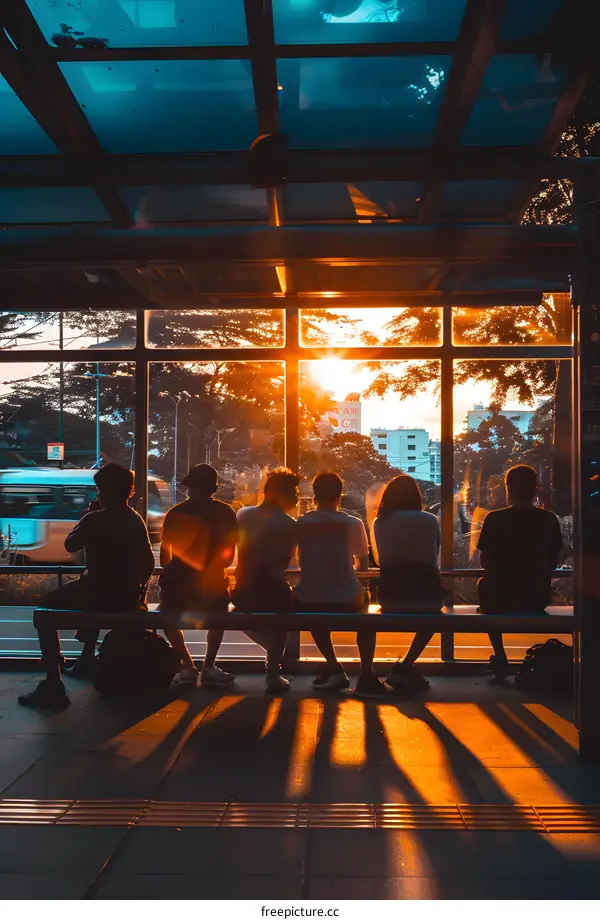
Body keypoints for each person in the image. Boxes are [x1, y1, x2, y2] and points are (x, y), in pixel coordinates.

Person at [18, 463, 156, 710]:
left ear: (104, 490)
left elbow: (71, 545)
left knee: (44, 611)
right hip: (125, 597)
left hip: (96, 592)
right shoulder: (135, 520)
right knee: (87, 595)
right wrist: (138, 593)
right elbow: (148, 562)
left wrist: (85, 519)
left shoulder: (94, 518)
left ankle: (53, 682)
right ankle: (85, 659)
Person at [295, 471, 392, 698]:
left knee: (310, 606)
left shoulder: (301, 523)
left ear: (314, 495)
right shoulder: (352, 523)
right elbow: (362, 564)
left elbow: (293, 559)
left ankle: (333, 665)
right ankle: (366, 674)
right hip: (347, 598)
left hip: (310, 598)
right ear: (340, 495)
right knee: (365, 613)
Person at [477, 464, 563, 680]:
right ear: (535, 489)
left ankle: (500, 655)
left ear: (508, 489)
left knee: (483, 586)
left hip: (499, 599)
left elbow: (485, 562)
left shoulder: (494, 519)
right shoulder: (548, 520)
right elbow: (554, 561)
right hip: (535, 598)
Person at [159, 463, 237, 689]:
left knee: (168, 617)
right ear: (213, 488)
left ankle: (188, 666)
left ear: (189, 487)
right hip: (212, 589)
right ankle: (209, 665)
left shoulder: (175, 513)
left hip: (178, 589)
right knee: (219, 616)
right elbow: (228, 557)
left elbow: (165, 557)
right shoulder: (225, 512)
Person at [372, 475, 446, 691]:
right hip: (426, 594)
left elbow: (380, 560)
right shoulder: (429, 520)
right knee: (433, 618)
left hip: (391, 593)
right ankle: (405, 665)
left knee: (368, 621)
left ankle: (402, 668)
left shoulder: (380, 521)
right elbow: (434, 556)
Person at [231, 468, 299, 694]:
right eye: (293, 492)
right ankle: (273, 671)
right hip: (273, 590)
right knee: (283, 616)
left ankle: (274, 658)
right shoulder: (290, 524)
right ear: (280, 494)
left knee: (237, 616)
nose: (297, 497)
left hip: (245, 590)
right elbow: (284, 562)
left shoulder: (244, 515)